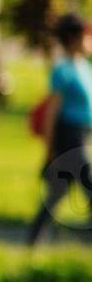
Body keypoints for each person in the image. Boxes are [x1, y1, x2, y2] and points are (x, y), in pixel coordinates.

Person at [29, 12, 92, 245]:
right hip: (69, 137)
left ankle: (33, 239)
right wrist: (49, 147)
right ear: (75, 38)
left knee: (58, 191)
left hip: (83, 134)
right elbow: (52, 112)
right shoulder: (62, 71)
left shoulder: (84, 67)